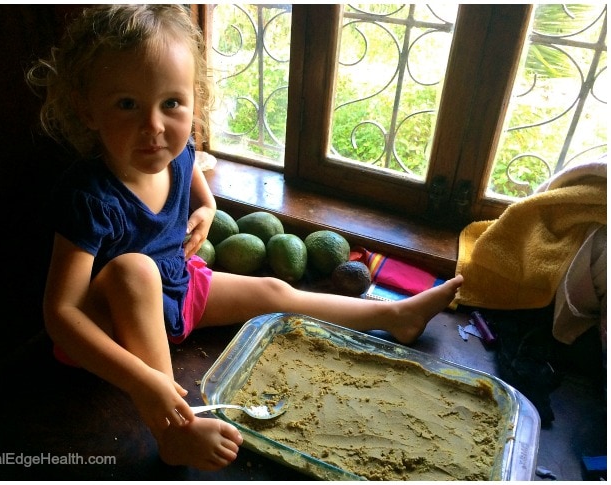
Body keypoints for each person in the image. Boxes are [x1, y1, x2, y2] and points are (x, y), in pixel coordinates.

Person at [28, 4, 464, 472]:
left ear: (193, 100)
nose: (154, 127)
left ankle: (393, 315)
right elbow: (61, 315)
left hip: (179, 293)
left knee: (273, 292)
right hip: (115, 330)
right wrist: (142, 381)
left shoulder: (179, 154)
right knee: (135, 268)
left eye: (171, 103)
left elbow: (200, 190)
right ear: (87, 109)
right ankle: (175, 432)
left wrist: (208, 207)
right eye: (127, 104)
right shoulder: (87, 197)